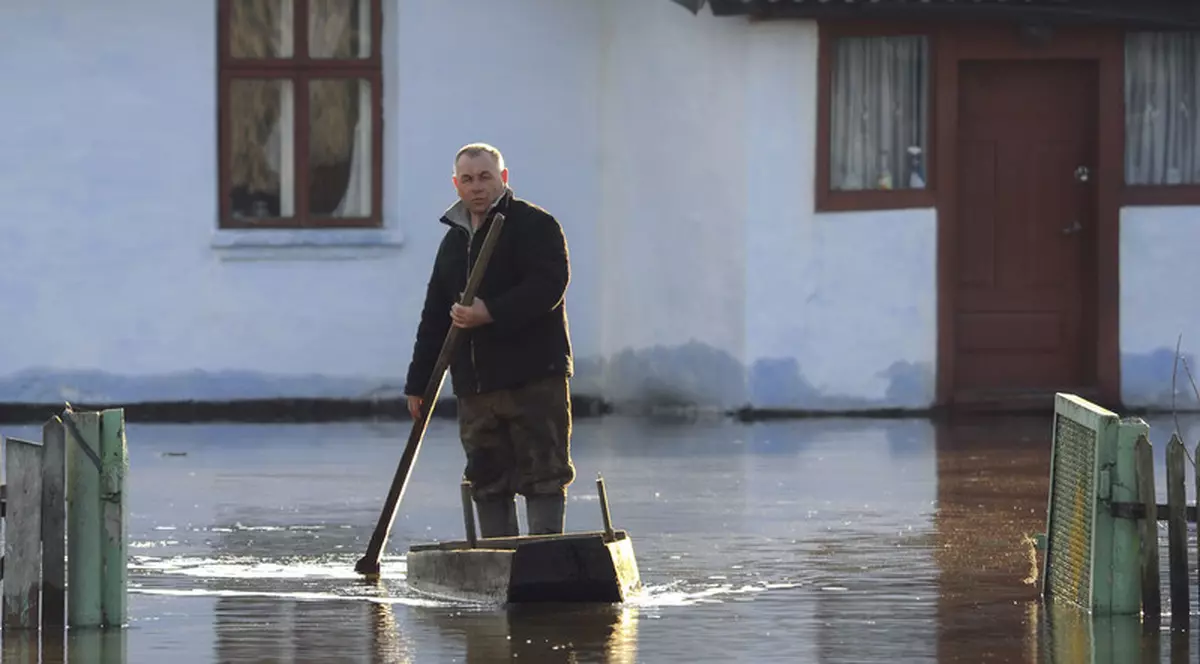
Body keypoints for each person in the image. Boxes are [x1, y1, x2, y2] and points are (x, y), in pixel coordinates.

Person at [403, 143, 576, 538]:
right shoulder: (453, 243)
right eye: (467, 179)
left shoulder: (535, 225)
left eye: (485, 177)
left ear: (503, 178)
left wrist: (490, 312)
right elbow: (434, 317)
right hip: (476, 385)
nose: (477, 186)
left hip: (533, 378)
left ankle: (544, 555)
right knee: (487, 476)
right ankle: (499, 559)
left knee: (543, 471)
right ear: (456, 184)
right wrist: (419, 384)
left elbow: (549, 285)